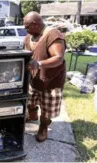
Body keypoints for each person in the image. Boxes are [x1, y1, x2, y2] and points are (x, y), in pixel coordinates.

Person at [23, 12, 66, 142]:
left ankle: (43, 128)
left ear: (35, 24)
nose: (26, 30)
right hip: (34, 79)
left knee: (47, 111)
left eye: (27, 27)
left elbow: (58, 58)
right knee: (29, 102)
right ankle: (33, 115)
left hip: (51, 82)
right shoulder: (28, 37)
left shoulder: (53, 34)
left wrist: (39, 63)